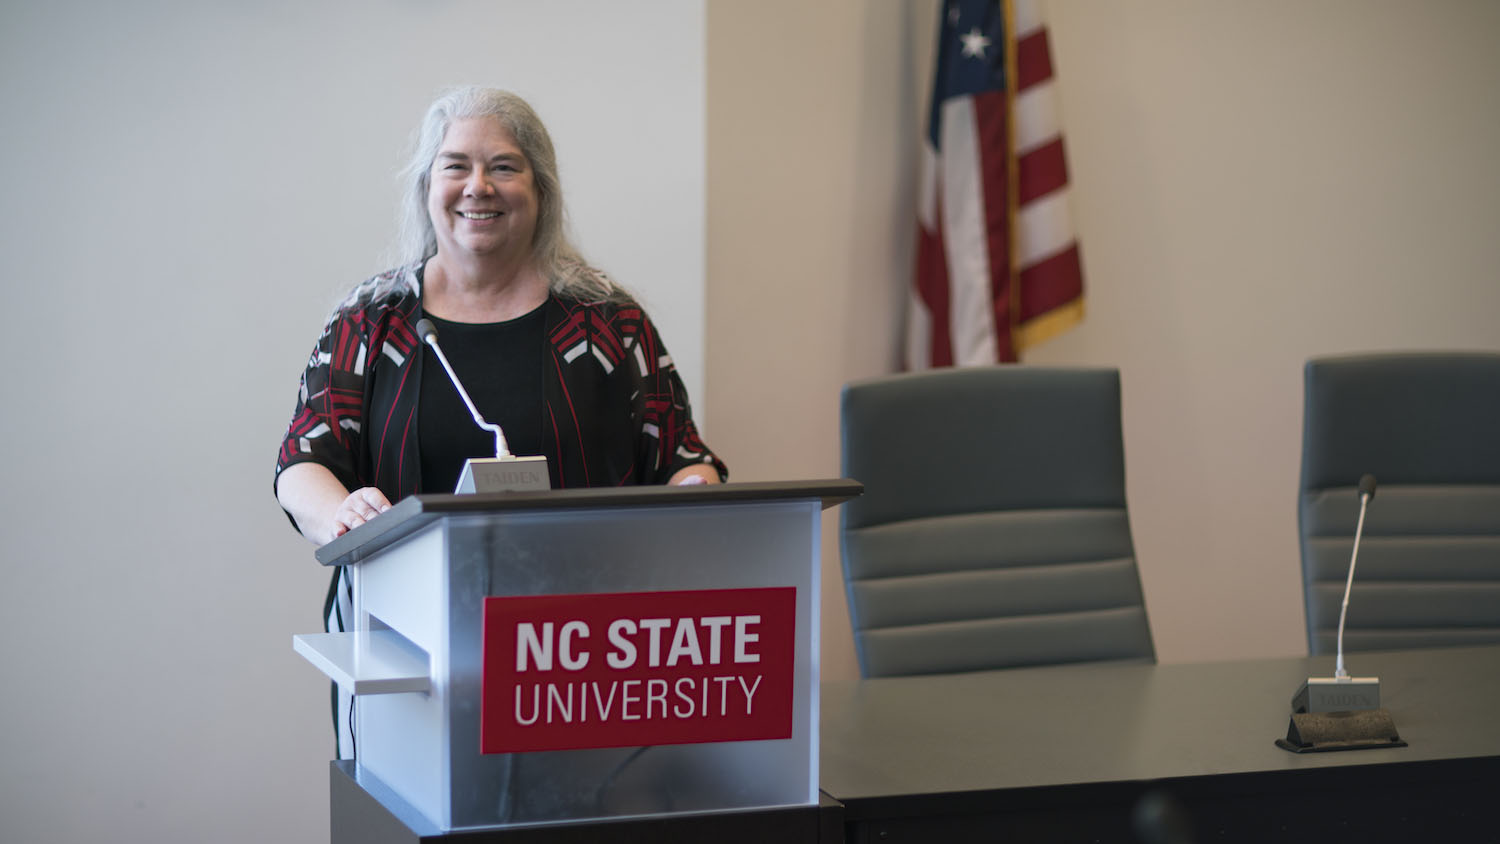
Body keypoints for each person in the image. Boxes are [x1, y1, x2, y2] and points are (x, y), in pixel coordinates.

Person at [274, 86, 726, 756]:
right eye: (455, 165)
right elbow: (303, 461)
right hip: (406, 659)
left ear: (540, 190)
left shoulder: (606, 321)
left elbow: (682, 454)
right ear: (428, 187)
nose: (477, 187)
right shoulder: (370, 322)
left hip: (584, 663)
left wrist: (696, 499)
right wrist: (341, 515)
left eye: (504, 167)